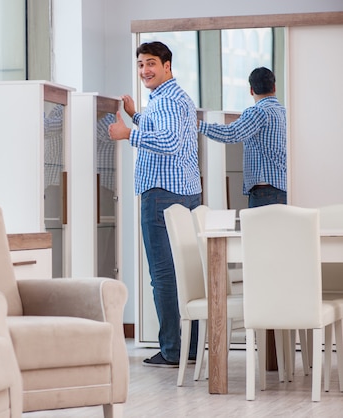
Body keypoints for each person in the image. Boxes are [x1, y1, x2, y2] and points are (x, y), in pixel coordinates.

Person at [108, 41, 202, 367]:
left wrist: (126, 134)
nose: (145, 70)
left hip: (162, 196)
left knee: (163, 276)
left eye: (151, 63)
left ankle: (173, 350)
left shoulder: (166, 103)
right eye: (140, 65)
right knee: (187, 273)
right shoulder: (174, 99)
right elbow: (162, 131)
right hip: (184, 195)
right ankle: (190, 348)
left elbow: (170, 142)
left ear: (167, 66)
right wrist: (135, 116)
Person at [198, 67, 286, 208]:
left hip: (266, 193)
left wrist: (199, 125)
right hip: (284, 190)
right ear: (274, 87)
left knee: (259, 231)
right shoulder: (285, 113)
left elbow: (232, 133)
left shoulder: (259, 112)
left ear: (251, 90)